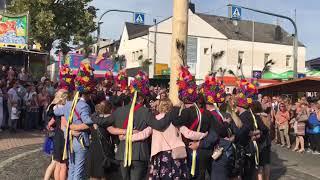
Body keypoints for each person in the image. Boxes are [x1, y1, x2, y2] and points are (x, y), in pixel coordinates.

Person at [108, 71, 173, 180]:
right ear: (142, 98)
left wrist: (123, 132)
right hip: (139, 153)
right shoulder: (145, 111)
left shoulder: (119, 111)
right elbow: (159, 125)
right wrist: (170, 113)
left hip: (122, 152)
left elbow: (107, 124)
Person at [54, 62, 95, 180]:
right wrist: (74, 127)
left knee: (71, 167)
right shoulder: (84, 105)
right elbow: (88, 122)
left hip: (70, 140)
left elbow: (56, 112)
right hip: (80, 140)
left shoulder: (68, 103)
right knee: (79, 170)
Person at [88, 101, 118, 180]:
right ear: (110, 109)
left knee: (93, 175)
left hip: (94, 149)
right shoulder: (109, 120)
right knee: (105, 175)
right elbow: (113, 133)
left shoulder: (93, 117)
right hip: (105, 149)